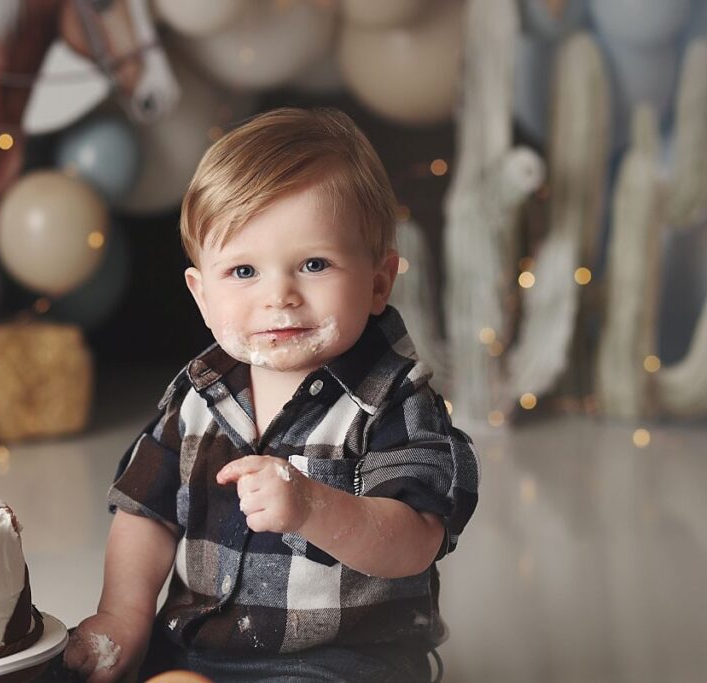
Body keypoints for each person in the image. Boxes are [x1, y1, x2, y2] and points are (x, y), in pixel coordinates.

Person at [63, 107, 480, 683]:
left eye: (313, 264)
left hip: (339, 660)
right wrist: (124, 617)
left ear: (379, 280)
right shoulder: (196, 397)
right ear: (201, 294)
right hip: (195, 647)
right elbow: (146, 515)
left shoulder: (393, 401)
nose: (279, 295)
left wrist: (314, 508)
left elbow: (415, 540)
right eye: (243, 272)